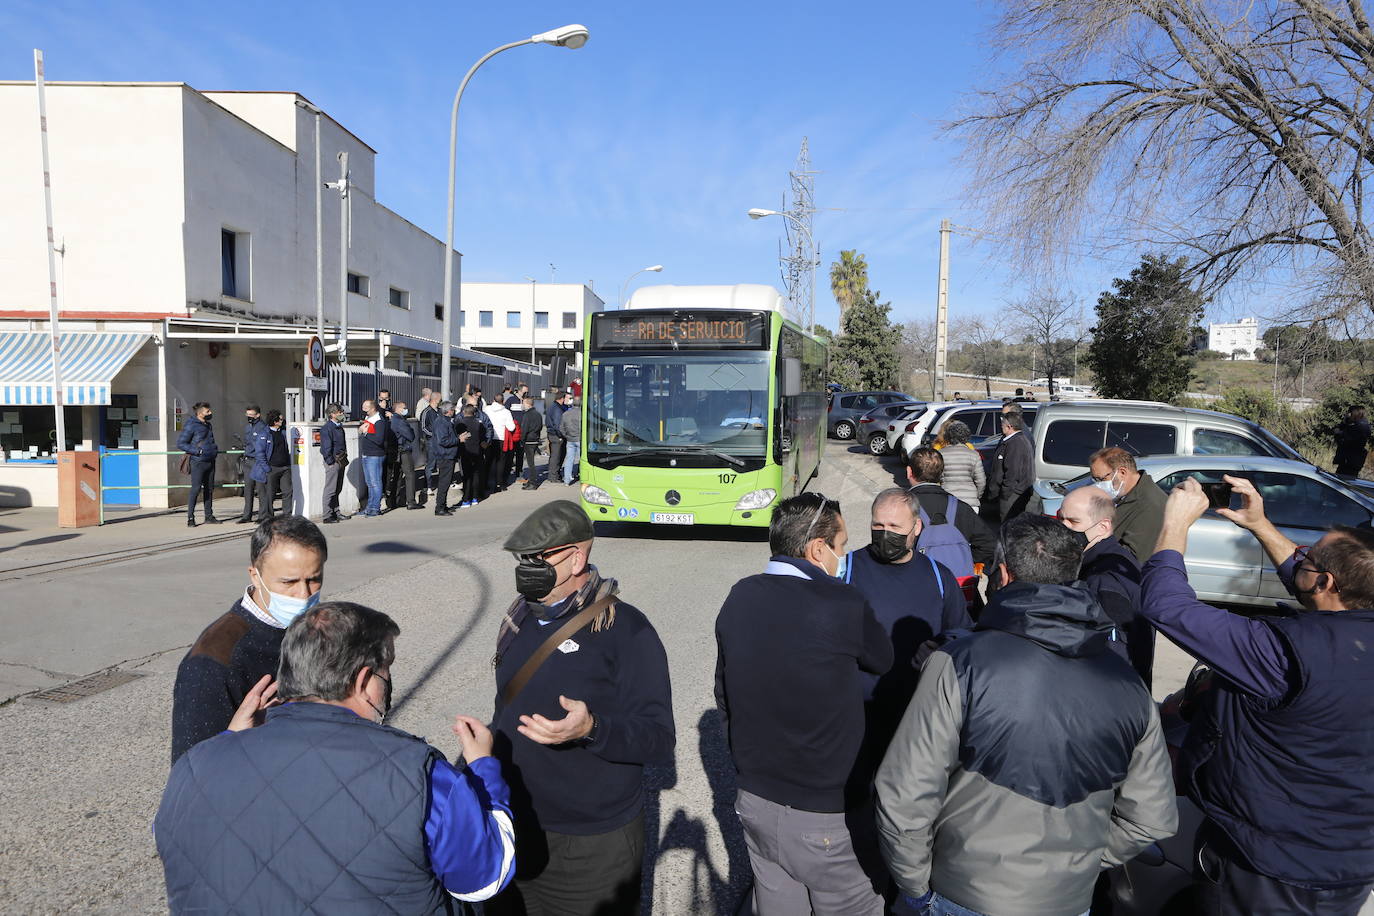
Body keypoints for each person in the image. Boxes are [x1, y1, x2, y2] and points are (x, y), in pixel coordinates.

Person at [875, 515, 1178, 916]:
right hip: (1066, 900)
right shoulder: (1129, 685)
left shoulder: (959, 663)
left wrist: (914, 885)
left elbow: (904, 795)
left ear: (1003, 573)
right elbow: (1153, 818)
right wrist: (1076, 864)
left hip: (960, 894)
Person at [156, 601, 516, 913]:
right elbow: (483, 878)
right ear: (363, 681)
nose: (387, 682)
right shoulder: (420, 774)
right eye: (385, 670)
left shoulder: (196, 764)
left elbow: (171, 837)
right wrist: (484, 773)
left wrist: (226, 740)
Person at [1143, 475, 1374, 914]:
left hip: (1268, 868)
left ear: (1325, 582)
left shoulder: (1283, 654)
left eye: (1307, 557)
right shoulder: (1350, 625)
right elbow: (1320, 585)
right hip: (1351, 860)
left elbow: (1165, 606)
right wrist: (1260, 524)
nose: (1298, 560)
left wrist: (1175, 525)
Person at [487, 501, 674, 915]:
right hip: (514, 828)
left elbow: (659, 739)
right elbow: (508, 706)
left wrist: (592, 729)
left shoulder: (626, 630)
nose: (527, 568)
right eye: (524, 559)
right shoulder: (519, 619)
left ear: (577, 557)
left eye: (539, 558)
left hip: (590, 848)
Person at [715, 493, 892, 915]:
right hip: (825, 813)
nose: (844, 555)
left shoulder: (740, 595)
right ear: (818, 549)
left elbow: (724, 694)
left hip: (755, 800)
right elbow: (882, 658)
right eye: (842, 545)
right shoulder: (840, 602)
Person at [169, 516, 327, 763]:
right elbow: (190, 774)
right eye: (289, 582)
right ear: (255, 576)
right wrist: (235, 739)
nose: (303, 594)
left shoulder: (316, 628)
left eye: (314, 579)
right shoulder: (212, 662)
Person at [845, 488, 970, 795]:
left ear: (916, 528)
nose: (885, 534)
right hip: (854, 714)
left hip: (914, 716)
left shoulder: (940, 577)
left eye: (895, 528)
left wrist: (941, 646)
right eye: (878, 526)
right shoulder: (845, 569)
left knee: (902, 797)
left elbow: (963, 633)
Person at [1059, 485, 1153, 686]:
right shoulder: (1106, 560)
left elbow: (1116, 653)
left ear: (1102, 527)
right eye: (1061, 519)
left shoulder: (1103, 579)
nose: (1064, 528)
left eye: (1073, 522)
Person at [905, 447, 995, 569]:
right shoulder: (961, 507)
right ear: (941, 474)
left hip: (919, 578)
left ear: (909, 472)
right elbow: (989, 544)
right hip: (955, 581)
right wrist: (963, 558)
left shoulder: (903, 508)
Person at [1089, 447, 1167, 565]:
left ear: (1122, 473)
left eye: (1101, 479)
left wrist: (1090, 547)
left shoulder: (1150, 503)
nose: (1099, 485)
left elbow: (1132, 556)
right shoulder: (1124, 494)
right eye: (1095, 480)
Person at [177, 402, 224, 528]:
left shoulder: (208, 425)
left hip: (210, 461)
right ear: (200, 413)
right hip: (198, 462)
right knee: (195, 489)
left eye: (210, 411)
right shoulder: (191, 425)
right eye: (207, 412)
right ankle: (190, 518)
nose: (210, 413)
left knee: (209, 489)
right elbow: (181, 443)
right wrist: (198, 451)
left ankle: (209, 516)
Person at [983, 412, 1033, 522]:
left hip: (1012, 495)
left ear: (1009, 426)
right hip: (1013, 493)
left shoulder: (1015, 443)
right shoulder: (1016, 440)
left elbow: (1013, 472)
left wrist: (1005, 494)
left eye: (1002, 424)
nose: (1001, 427)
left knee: (1009, 527)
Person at [934, 420, 985, 512]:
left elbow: (936, 478)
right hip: (970, 501)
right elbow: (981, 481)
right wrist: (976, 496)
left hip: (948, 499)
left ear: (948, 436)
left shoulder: (941, 454)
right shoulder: (974, 454)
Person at [253, 409, 293, 520]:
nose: (282, 421)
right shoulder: (265, 434)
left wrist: (288, 465)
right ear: (274, 421)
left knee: (288, 491)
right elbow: (260, 452)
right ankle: (269, 518)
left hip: (284, 468)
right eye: (280, 419)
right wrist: (267, 468)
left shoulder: (283, 433)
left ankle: (287, 517)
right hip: (272, 468)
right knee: (269, 494)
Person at [357, 399, 389, 517]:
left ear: (373, 408)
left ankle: (375, 508)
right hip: (367, 454)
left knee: (375, 482)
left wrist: (365, 433)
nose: (363, 409)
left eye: (366, 407)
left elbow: (379, 439)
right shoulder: (369, 419)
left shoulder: (379, 421)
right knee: (370, 483)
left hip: (375, 455)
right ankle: (369, 508)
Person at [429, 400, 462, 516]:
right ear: (448, 411)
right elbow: (443, 440)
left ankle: (443, 505)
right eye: (452, 409)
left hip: (448, 455)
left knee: (446, 482)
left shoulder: (446, 421)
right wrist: (458, 440)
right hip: (445, 456)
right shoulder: (441, 422)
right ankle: (440, 508)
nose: (454, 411)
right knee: (444, 482)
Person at [236, 404, 268, 524]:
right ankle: (246, 515)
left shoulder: (262, 427)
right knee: (247, 488)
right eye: (247, 415)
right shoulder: (248, 427)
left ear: (258, 415)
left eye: (251, 415)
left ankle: (263, 515)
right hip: (248, 460)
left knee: (261, 490)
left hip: (258, 461)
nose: (249, 417)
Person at [388, 400, 422, 510]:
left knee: (397, 477)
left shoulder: (393, 420)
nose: (406, 409)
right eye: (404, 407)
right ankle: (411, 501)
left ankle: (394, 501)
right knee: (410, 475)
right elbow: (411, 435)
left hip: (396, 451)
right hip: (403, 450)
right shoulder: (399, 421)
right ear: (398, 409)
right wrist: (411, 430)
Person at [319, 403, 349, 524]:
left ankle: (336, 512)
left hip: (340, 460)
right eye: (340, 412)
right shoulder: (327, 428)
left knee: (338, 488)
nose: (342, 414)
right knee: (330, 489)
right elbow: (326, 448)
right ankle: (327, 515)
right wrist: (330, 462)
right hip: (333, 461)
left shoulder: (339, 426)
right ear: (332, 414)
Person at [485, 396, 518, 493]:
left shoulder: (487, 409)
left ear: (493, 400)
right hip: (501, 439)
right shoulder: (506, 412)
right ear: (502, 401)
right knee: (500, 462)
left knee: (489, 461)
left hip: (489, 438)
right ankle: (499, 484)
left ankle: (485, 483)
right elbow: (511, 427)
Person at [457, 404, 488, 507]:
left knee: (466, 476)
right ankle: (475, 498)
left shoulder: (460, 424)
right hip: (477, 452)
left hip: (465, 452)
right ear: (474, 413)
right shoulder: (479, 423)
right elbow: (483, 438)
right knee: (476, 475)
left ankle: (466, 499)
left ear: (464, 412)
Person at [1334, 405, 1371, 478]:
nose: (1349, 415)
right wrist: (1345, 422)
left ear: (1355, 413)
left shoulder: (1359, 427)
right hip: (1351, 461)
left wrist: (1339, 434)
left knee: (1342, 482)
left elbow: (1344, 442)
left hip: (1350, 461)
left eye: (1351, 413)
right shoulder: (1361, 425)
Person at [517, 395, 544, 489]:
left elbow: (524, 429)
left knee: (530, 463)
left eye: (523, 403)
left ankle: (533, 483)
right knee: (531, 462)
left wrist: (522, 440)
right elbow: (540, 426)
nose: (522, 405)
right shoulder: (538, 414)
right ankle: (531, 480)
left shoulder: (527, 415)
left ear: (528, 404)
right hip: (535, 439)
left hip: (529, 441)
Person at [546, 390, 568, 483]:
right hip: (556, 435)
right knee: (556, 456)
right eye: (567, 398)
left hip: (553, 434)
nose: (568, 400)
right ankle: (553, 476)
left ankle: (555, 474)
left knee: (557, 455)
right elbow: (558, 425)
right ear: (562, 398)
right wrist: (561, 435)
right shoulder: (557, 409)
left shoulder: (555, 407)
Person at [560, 396, 581, 486]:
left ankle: (567, 480)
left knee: (569, 459)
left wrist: (566, 435)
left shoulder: (565, 414)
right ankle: (581, 476)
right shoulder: (582, 413)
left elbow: (561, 428)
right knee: (582, 459)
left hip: (570, 439)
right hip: (580, 439)